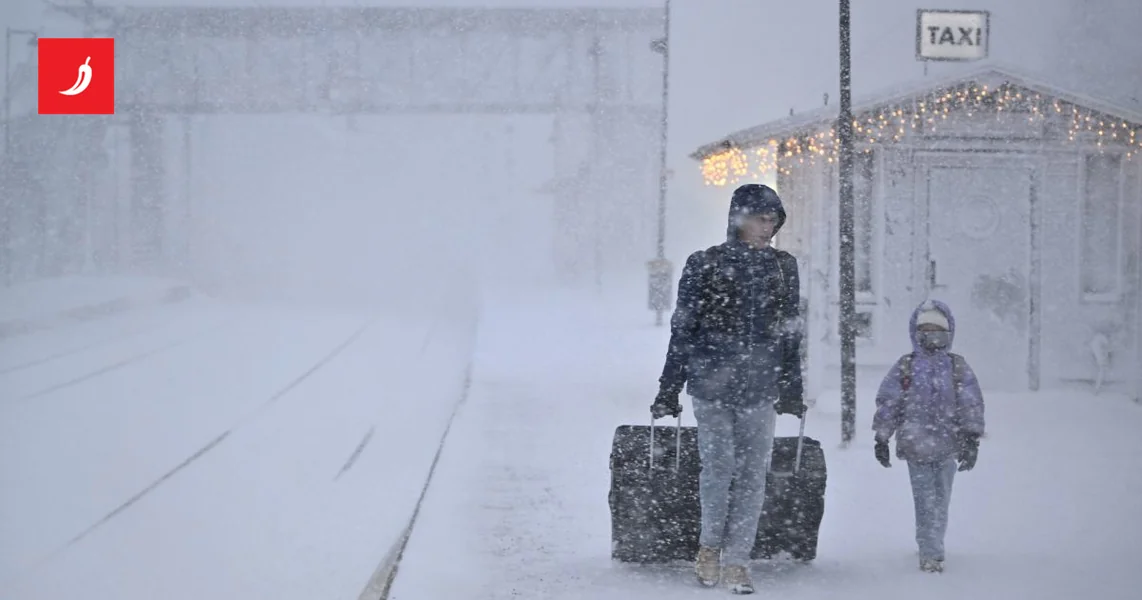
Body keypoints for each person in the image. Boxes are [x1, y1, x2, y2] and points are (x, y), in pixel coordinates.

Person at [651, 183, 806, 594]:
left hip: (760, 386)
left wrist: (792, 385)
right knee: (717, 470)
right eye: (761, 218)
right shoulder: (705, 264)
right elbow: (683, 329)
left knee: (754, 474)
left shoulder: (782, 267)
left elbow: (791, 330)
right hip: (711, 385)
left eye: (773, 220)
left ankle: (738, 559)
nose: (768, 227)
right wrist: (670, 386)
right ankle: (709, 549)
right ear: (738, 219)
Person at [872, 300, 985, 573]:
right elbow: (890, 402)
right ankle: (931, 552)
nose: (931, 334)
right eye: (926, 329)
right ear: (916, 332)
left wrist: (971, 438)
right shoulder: (907, 366)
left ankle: (932, 541)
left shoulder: (957, 367)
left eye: (938, 329)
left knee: (941, 498)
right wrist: (882, 437)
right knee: (924, 500)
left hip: (948, 445)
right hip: (916, 446)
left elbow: (971, 402)